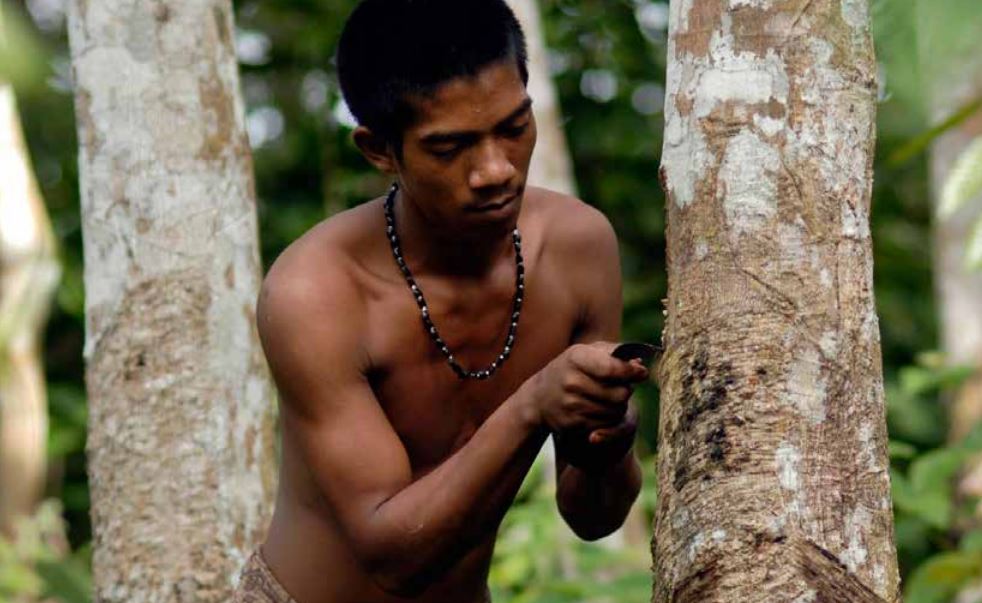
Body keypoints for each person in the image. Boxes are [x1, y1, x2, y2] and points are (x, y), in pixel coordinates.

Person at [232, 1, 651, 601]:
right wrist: (534, 404)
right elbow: (393, 558)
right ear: (380, 150)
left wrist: (608, 439)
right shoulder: (317, 292)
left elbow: (593, 518)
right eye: (451, 148)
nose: (495, 170)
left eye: (513, 128)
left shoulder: (577, 250)